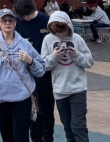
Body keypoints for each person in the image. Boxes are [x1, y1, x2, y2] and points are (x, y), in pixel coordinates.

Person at [0, 8, 46, 142]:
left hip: (22, 98)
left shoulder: (25, 44)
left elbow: (41, 70)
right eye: (4, 20)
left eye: (10, 20)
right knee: (7, 137)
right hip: (0, 99)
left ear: (15, 23)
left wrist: (31, 61)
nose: (7, 23)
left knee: (21, 137)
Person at [41, 11, 95, 142]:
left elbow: (89, 62)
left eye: (63, 31)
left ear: (68, 27)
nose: (60, 35)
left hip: (77, 90)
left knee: (78, 127)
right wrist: (54, 56)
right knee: (68, 128)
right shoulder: (48, 40)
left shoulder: (77, 39)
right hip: (59, 91)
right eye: (57, 32)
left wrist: (76, 55)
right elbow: (43, 66)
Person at [13, 0, 55, 142]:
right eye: (23, 16)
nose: (27, 18)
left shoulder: (46, 20)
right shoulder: (16, 23)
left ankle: (48, 137)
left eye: (29, 14)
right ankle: (36, 138)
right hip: (25, 74)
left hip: (45, 73)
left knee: (46, 109)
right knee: (31, 110)